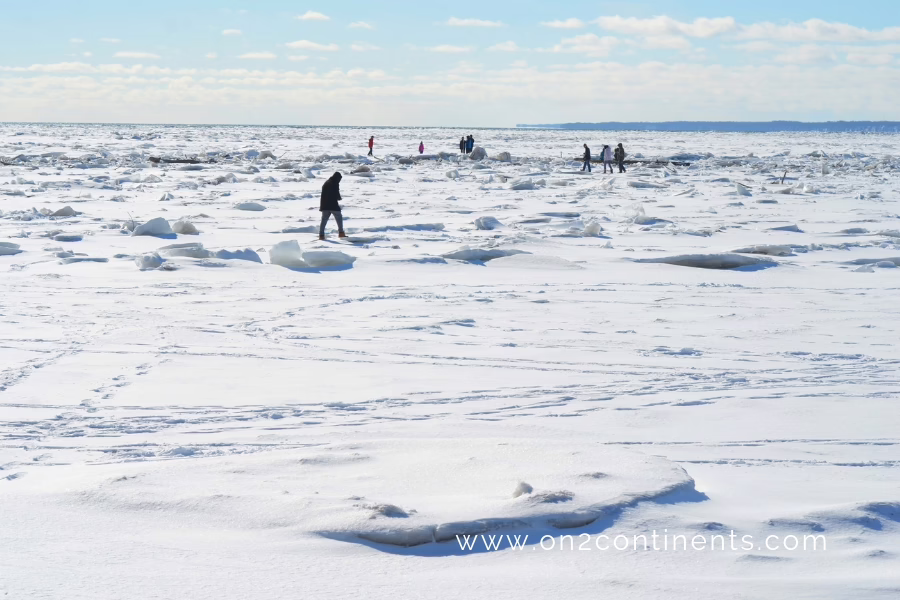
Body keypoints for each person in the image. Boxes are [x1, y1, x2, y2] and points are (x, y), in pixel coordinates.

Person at [319, 172, 347, 240]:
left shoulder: (326, 183)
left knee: (324, 220)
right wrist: (339, 198)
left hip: (324, 205)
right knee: (339, 218)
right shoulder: (334, 183)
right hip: (333, 205)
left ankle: (321, 235)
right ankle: (341, 233)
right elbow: (336, 193)